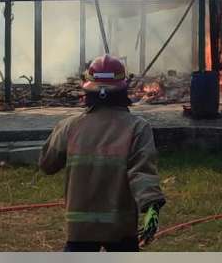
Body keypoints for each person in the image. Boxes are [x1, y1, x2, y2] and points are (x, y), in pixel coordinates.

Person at [39, 54, 166, 252]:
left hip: (80, 228)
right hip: (121, 228)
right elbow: (142, 172)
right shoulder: (138, 128)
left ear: (88, 89)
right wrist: (152, 205)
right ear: (123, 90)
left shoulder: (69, 126)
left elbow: (47, 164)